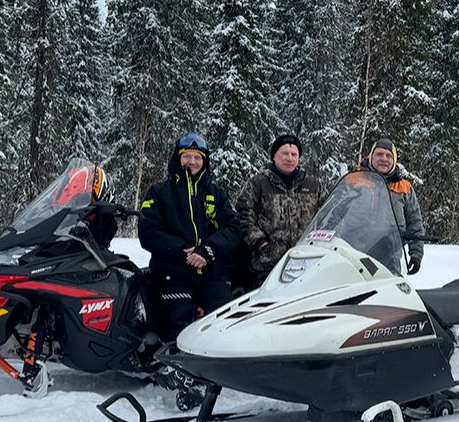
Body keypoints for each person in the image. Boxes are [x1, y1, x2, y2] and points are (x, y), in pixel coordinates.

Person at [138, 132, 242, 339]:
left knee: (222, 323)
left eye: (197, 157)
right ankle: (172, 366)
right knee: (179, 321)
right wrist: (182, 252)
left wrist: (208, 250)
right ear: (178, 157)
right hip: (174, 271)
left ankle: (217, 367)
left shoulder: (217, 194)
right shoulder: (159, 192)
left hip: (213, 272)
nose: (192, 162)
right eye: (187, 156)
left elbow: (233, 228)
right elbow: (148, 231)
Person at [236, 134, 327, 284]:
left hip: (308, 263)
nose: (289, 158)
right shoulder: (258, 184)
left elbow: (328, 215)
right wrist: (261, 243)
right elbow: (244, 214)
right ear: (274, 156)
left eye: (294, 154)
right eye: (284, 153)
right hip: (268, 266)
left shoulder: (314, 185)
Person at [359, 137, 424, 275]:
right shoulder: (355, 181)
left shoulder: (404, 188)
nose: (384, 159)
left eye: (389, 156)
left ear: (394, 160)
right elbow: (337, 215)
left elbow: (415, 222)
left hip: (391, 259)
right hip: (356, 256)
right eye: (379, 154)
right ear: (371, 157)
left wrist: (416, 253)